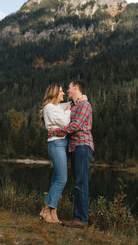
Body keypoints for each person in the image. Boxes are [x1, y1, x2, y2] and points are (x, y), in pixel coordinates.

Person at [39, 83, 87, 223]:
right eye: (60, 91)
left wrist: (83, 97)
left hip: (62, 144)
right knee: (62, 179)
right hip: (56, 144)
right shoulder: (49, 108)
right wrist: (68, 111)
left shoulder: (55, 107)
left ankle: (53, 213)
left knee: (56, 179)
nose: (63, 93)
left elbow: (71, 103)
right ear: (54, 93)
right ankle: (46, 209)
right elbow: (65, 122)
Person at [49, 80, 94, 228]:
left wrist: (56, 131)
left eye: (68, 88)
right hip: (73, 147)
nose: (67, 91)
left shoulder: (84, 105)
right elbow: (53, 107)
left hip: (82, 145)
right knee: (72, 181)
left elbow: (75, 126)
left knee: (81, 182)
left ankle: (81, 219)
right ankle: (75, 217)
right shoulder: (73, 105)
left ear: (75, 88)